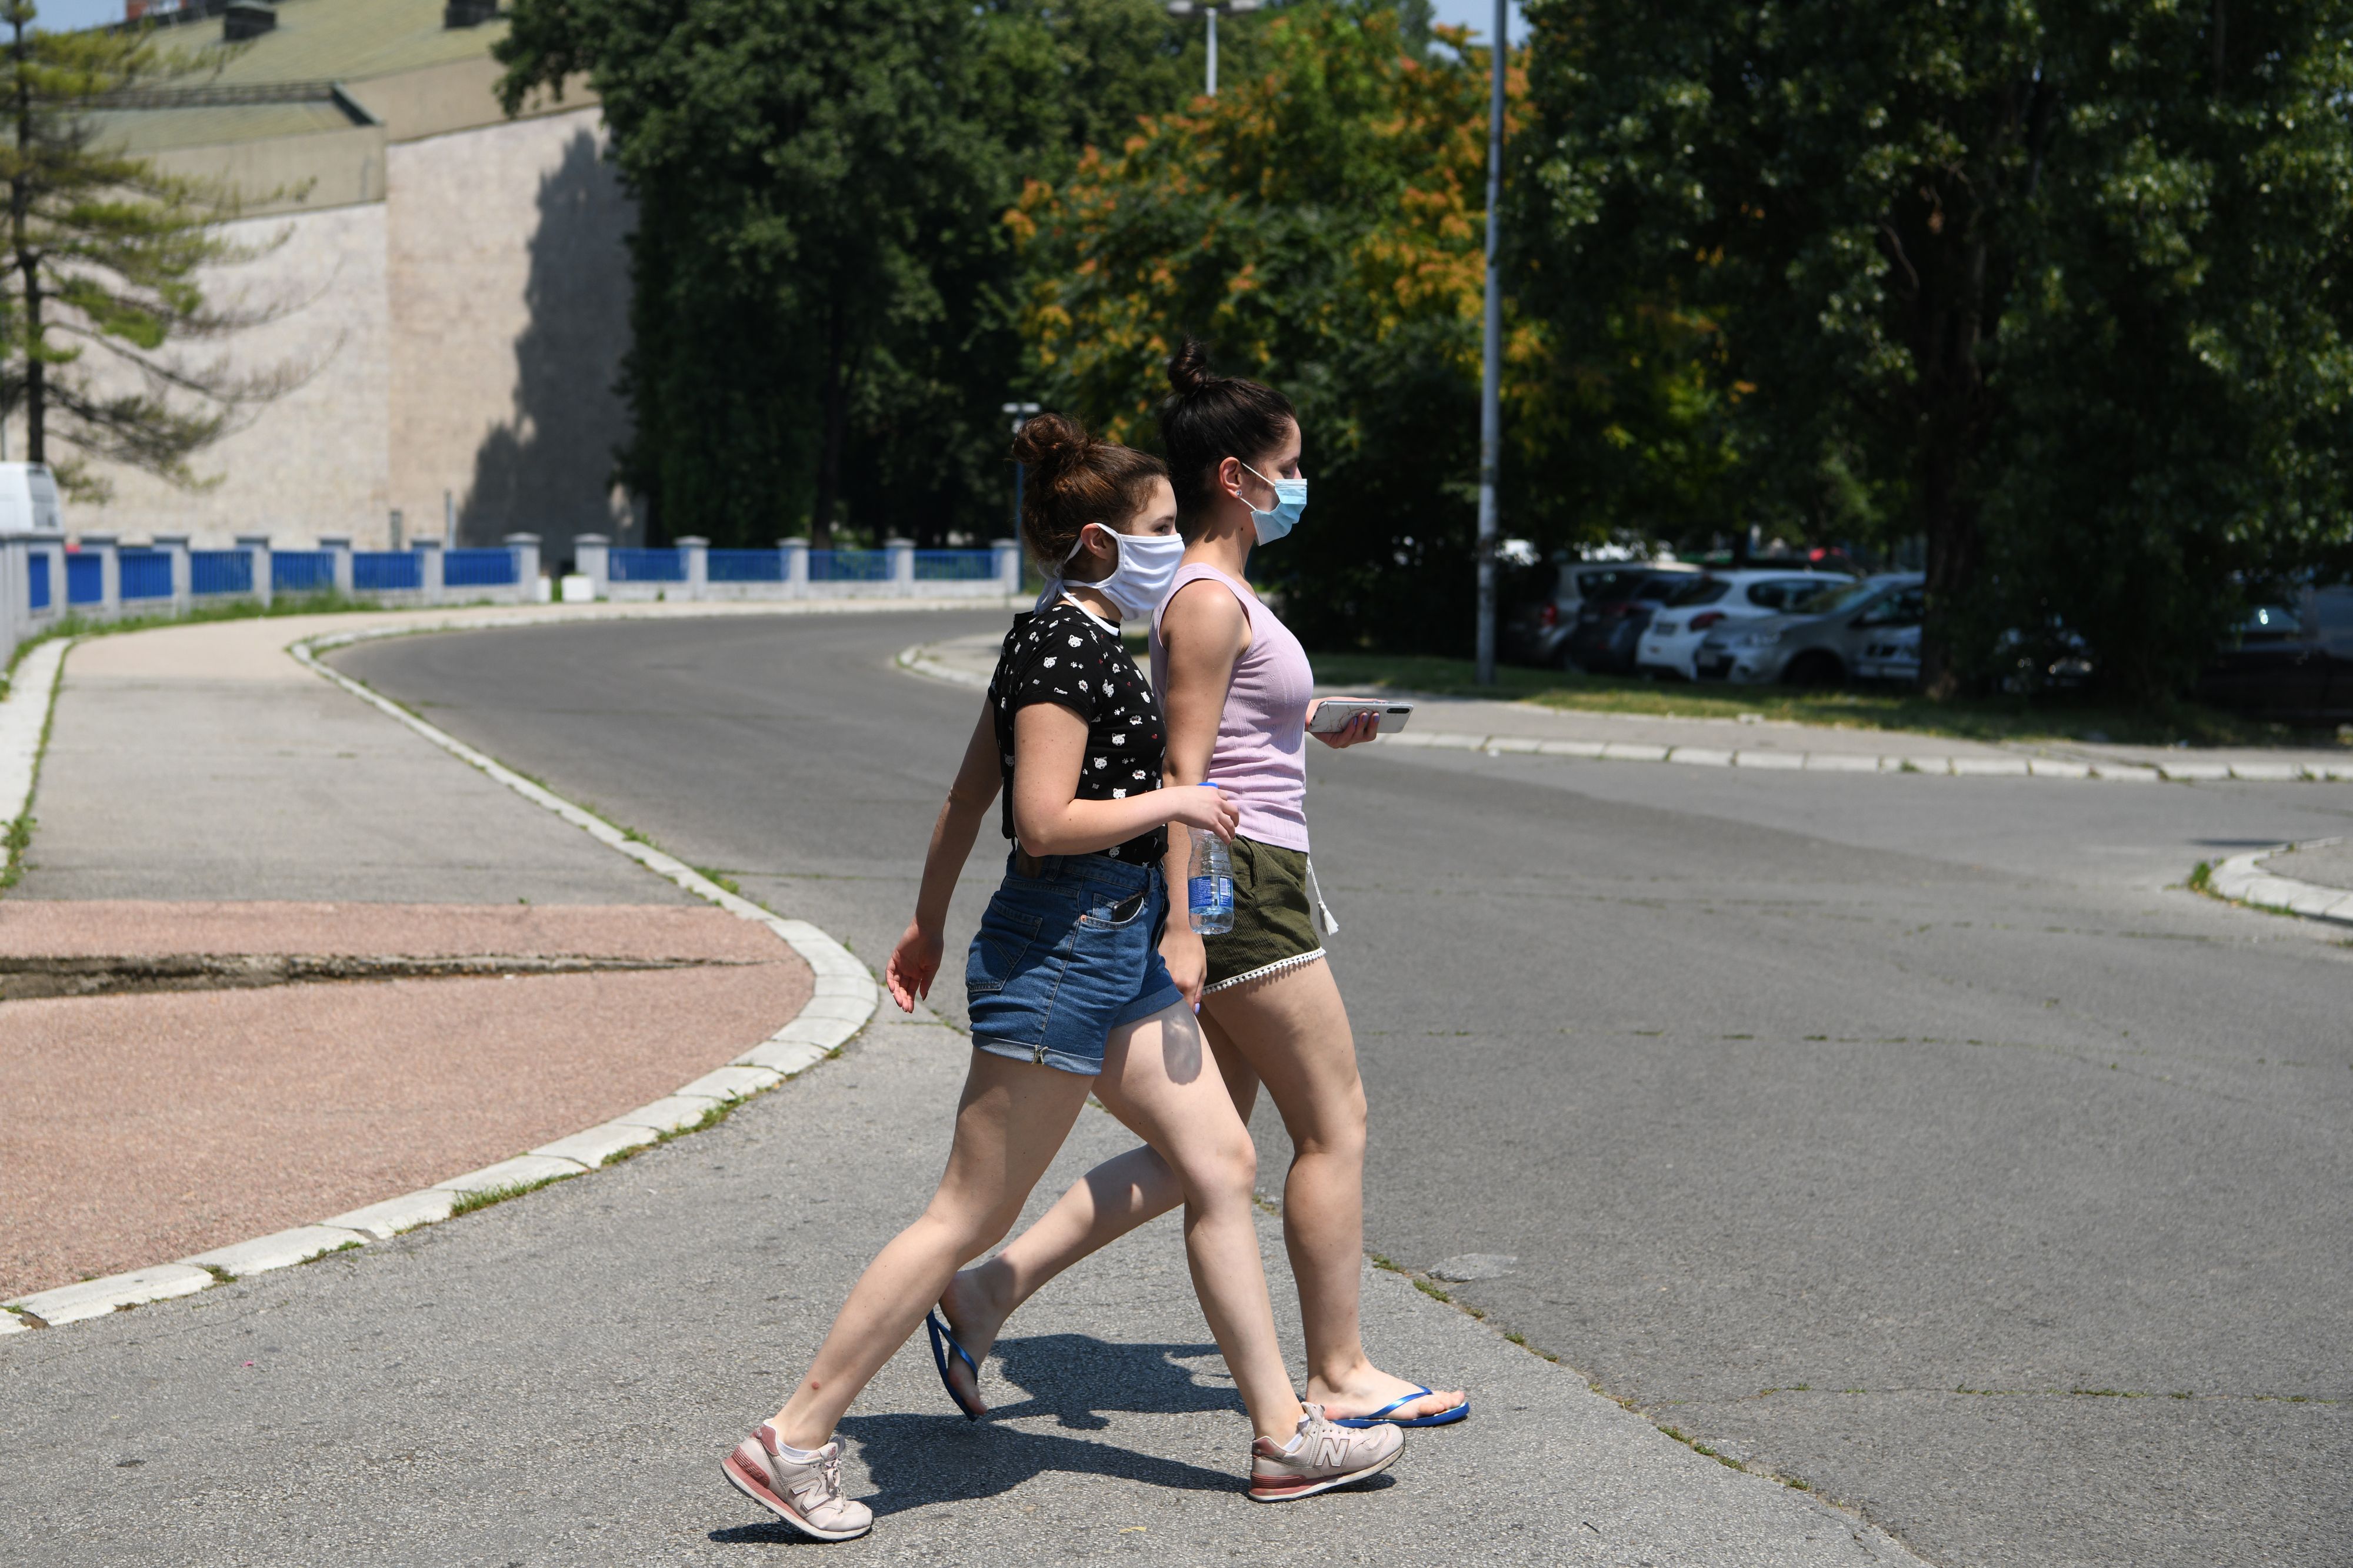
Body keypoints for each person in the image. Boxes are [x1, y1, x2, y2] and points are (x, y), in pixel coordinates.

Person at [720, 413, 1404, 1542]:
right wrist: (1177, 801)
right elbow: (1039, 820)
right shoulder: (1061, 651)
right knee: (968, 1209)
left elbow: (965, 798)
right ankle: (792, 1437)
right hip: (1061, 953)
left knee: (1221, 1158)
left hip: (1116, 948)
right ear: (1097, 543)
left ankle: (1283, 1435)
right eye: (1160, 528)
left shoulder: (1070, 640)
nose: (1175, 546)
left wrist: (927, 923)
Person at [931, 344, 1469, 1432]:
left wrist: (1312, 722)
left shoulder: (1213, 594)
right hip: (1238, 879)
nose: (1301, 483)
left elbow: (1222, 731)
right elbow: (1183, 769)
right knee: (1337, 1122)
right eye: (1291, 465)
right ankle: (1341, 1372)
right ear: (1239, 475)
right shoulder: (1207, 600)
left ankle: (988, 1289)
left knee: (1201, 1152)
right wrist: (1188, 917)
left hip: (1240, 872)